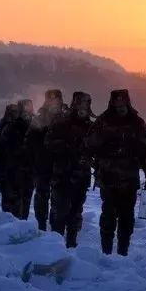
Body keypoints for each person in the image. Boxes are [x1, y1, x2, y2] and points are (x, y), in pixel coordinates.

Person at [88, 89, 146, 256]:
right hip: (108, 178)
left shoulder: (137, 122)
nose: (120, 104)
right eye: (117, 100)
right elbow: (88, 146)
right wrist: (98, 163)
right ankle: (106, 252)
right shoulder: (103, 121)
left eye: (123, 100)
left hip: (129, 179)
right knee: (108, 216)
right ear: (112, 101)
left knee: (127, 218)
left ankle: (122, 251)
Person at [44, 92, 96, 248]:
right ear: (74, 104)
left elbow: (98, 148)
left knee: (75, 213)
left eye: (86, 104)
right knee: (59, 213)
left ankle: (71, 245)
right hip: (62, 176)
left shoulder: (92, 127)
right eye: (80, 103)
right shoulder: (61, 122)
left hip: (81, 177)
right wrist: (66, 147)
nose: (83, 107)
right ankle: (55, 246)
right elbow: (48, 143)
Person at [25, 89, 68, 231]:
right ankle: (41, 226)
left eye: (56, 99)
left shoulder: (67, 116)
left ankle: (57, 231)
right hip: (42, 165)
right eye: (50, 99)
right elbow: (29, 141)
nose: (53, 102)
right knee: (42, 198)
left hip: (62, 166)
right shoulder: (40, 116)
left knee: (59, 200)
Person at [0, 99, 35, 220]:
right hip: (14, 173)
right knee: (13, 208)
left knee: (25, 205)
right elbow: (2, 147)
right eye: (24, 108)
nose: (27, 112)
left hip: (29, 173)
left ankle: (22, 231)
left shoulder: (35, 126)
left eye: (29, 108)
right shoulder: (11, 127)